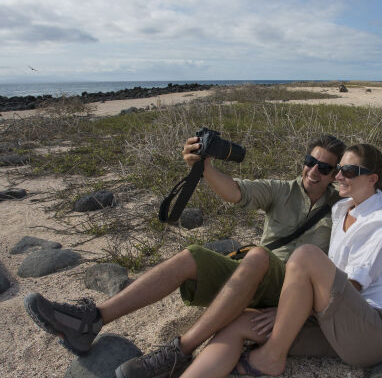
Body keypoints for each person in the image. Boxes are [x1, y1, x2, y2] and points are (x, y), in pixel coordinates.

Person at [24, 133, 346, 378]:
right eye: (309, 161)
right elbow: (236, 192)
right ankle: (93, 319)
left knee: (259, 256)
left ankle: (179, 352)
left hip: (290, 286)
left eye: (324, 167)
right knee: (191, 255)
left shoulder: (342, 210)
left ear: (335, 174)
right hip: (255, 274)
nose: (313, 170)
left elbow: (342, 272)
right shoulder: (282, 190)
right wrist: (205, 169)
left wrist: (291, 309)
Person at [180, 143, 382, 377]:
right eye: (339, 168)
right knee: (241, 324)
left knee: (306, 255)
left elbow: (352, 285)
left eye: (348, 171)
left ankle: (271, 356)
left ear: (372, 179)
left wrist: (285, 313)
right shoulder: (341, 208)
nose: (338, 175)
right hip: (332, 326)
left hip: (371, 334)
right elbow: (239, 193)